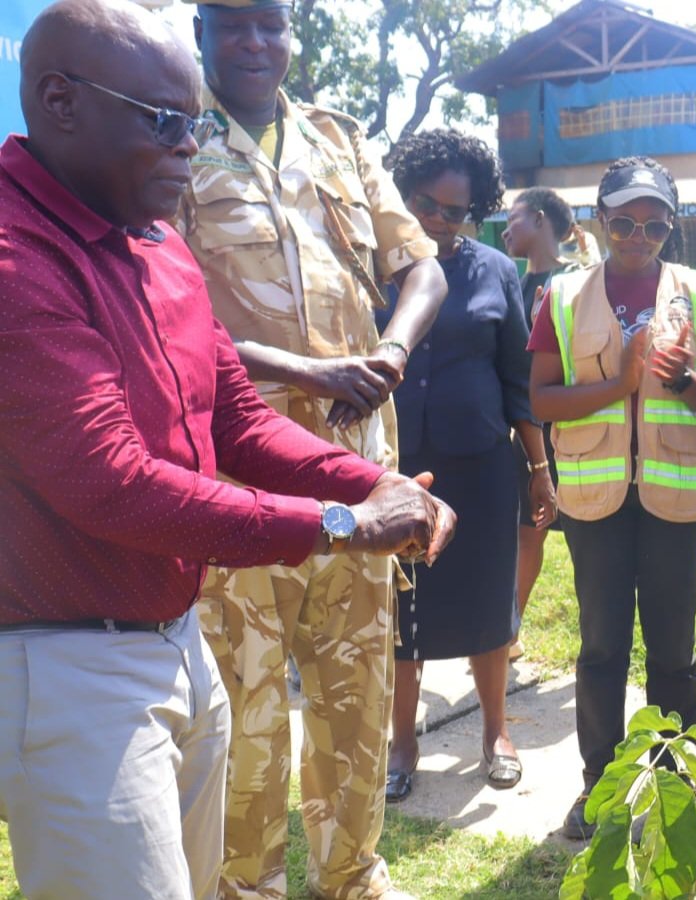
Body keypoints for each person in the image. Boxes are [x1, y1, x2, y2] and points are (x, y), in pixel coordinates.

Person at [0, 2, 454, 898]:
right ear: (59, 101)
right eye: (164, 121)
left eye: (194, 122)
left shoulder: (157, 244)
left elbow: (237, 420)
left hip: (173, 637)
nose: (186, 146)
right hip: (69, 662)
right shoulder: (19, 261)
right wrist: (342, 520)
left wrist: (378, 484)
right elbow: (113, 485)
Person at [174, 1, 448, 896]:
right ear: (203, 31)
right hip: (236, 472)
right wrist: (308, 370)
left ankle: (352, 876)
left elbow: (422, 265)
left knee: (353, 690)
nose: (257, 44)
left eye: (274, 24)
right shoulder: (171, 135)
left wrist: (392, 351)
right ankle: (243, 885)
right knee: (246, 702)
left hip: (359, 466)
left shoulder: (338, 138)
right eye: (236, 25)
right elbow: (162, 304)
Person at [527, 156, 696, 842]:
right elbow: (543, 399)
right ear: (599, 220)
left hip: (675, 500)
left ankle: (677, 782)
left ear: (670, 227)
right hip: (596, 503)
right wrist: (619, 385)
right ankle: (601, 788)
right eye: (623, 221)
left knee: (673, 652)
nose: (637, 235)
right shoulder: (560, 298)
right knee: (600, 650)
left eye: (653, 224)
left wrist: (680, 382)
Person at [377, 129, 550, 803]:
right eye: (429, 205)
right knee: (402, 606)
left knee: (487, 600)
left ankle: (495, 734)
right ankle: (402, 741)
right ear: (404, 194)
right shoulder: (369, 264)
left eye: (459, 212)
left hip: (480, 464)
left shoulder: (495, 272)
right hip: (396, 463)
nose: (442, 223)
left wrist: (538, 467)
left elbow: (516, 377)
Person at [501, 186, 578, 660]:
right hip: (526, 438)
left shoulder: (576, 281)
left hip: (573, 432)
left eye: (515, 218)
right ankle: (511, 633)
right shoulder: (511, 283)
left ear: (542, 219)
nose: (507, 229)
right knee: (527, 534)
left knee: (587, 541)